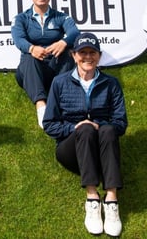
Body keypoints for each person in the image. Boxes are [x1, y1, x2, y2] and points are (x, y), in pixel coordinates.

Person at [43, 32, 127, 236]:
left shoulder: (111, 83)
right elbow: (49, 124)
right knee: (85, 128)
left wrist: (99, 125)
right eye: (82, 53)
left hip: (101, 148)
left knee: (106, 128)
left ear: (99, 56)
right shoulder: (60, 83)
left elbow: (121, 123)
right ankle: (92, 198)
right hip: (70, 149)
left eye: (92, 52)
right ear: (73, 55)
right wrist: (75, 127)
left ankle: (111, 200)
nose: (87, 57)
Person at [11, 0, 79, 128]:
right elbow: (18, 39)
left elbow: (75, 32)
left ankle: (62, 101)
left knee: (68, 53)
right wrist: (32, 48)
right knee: (29, 57)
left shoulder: (61, 16)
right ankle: (41, 105)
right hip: (31, 70)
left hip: (55, 67)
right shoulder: (21, 18)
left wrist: (63, 42)